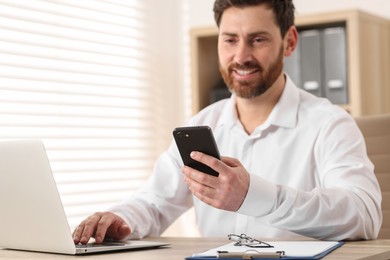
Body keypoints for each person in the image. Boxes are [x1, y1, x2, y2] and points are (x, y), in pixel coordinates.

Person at [73, 0, 382, 244]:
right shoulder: (202, 124)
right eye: (230, 40)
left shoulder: (330, 123)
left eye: (257, 39)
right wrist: (118, 218)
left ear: (289, 42)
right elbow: (154, 203)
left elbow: (363, 214)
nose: (241, 56)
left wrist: (254, 195)